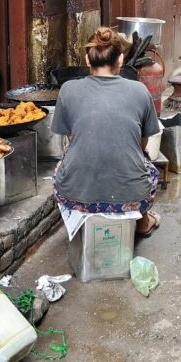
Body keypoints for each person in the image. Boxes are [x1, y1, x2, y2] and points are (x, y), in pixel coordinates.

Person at [51, 27, 162, 236]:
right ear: (120, 60)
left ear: (87, 59)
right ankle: (143, 221)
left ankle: (85, 219)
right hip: (131, 196)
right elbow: (141, 144)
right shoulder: (139, 90)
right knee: (146, 164)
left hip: (75, 195)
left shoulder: (67, 90)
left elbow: (73, 139)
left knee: (65, 163)